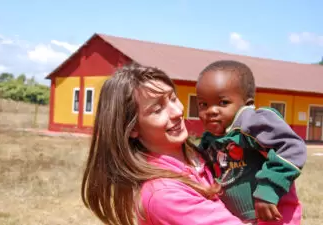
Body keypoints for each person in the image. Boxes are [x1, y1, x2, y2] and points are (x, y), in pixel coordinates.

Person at [81, 63, 252, 225]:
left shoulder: (201, 155)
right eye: (157, 109)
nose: (177, 111)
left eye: (173, 98)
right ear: (132, 128)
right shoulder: (164, 194)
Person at [196, 60, 307, 224]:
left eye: (223, 102)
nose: (211, 111)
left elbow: (291, 147)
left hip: (273, 215)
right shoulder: (208, 141)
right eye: (203, 104)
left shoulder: (252, 123)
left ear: (247, 104)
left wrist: (268, 189)